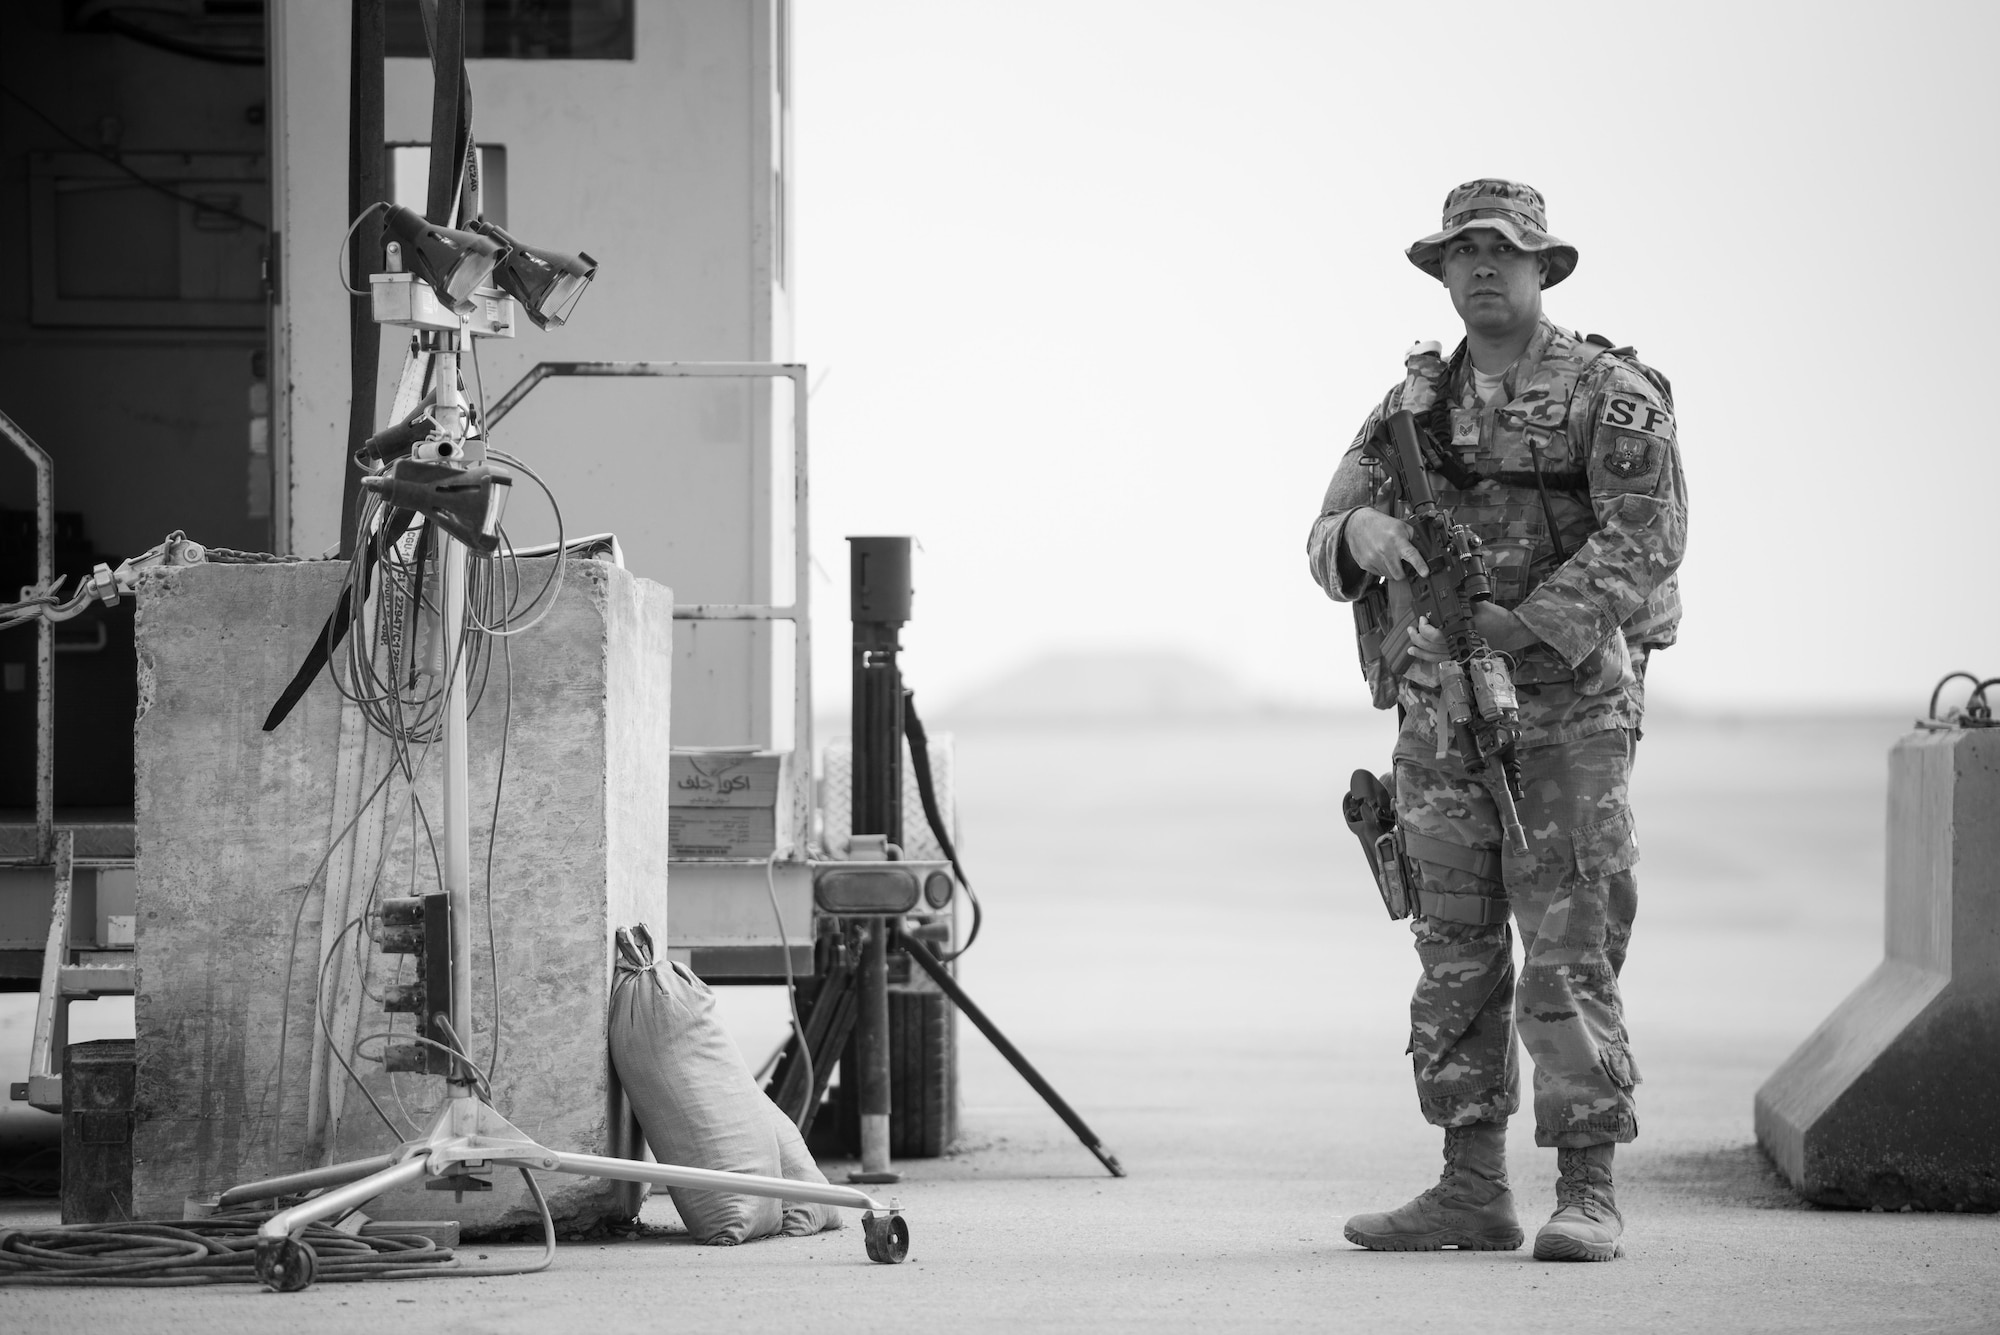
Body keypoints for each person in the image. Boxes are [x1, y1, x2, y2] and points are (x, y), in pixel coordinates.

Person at [1306, 179, 1687, 1262]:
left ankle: (1585, 1191)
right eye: (1461, 253)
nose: (1480, 268)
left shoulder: (1604, 393)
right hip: (1437, 723)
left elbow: (1644, 540)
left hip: (1566, 719)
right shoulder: (1407, 411)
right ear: (1440, 272)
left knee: (1568, 946)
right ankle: (1469, 1186)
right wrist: (1364, 532)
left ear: (1542, 269)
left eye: (1502, 253)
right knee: (1453, 952)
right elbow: (1321, 534)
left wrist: (1519, 630)